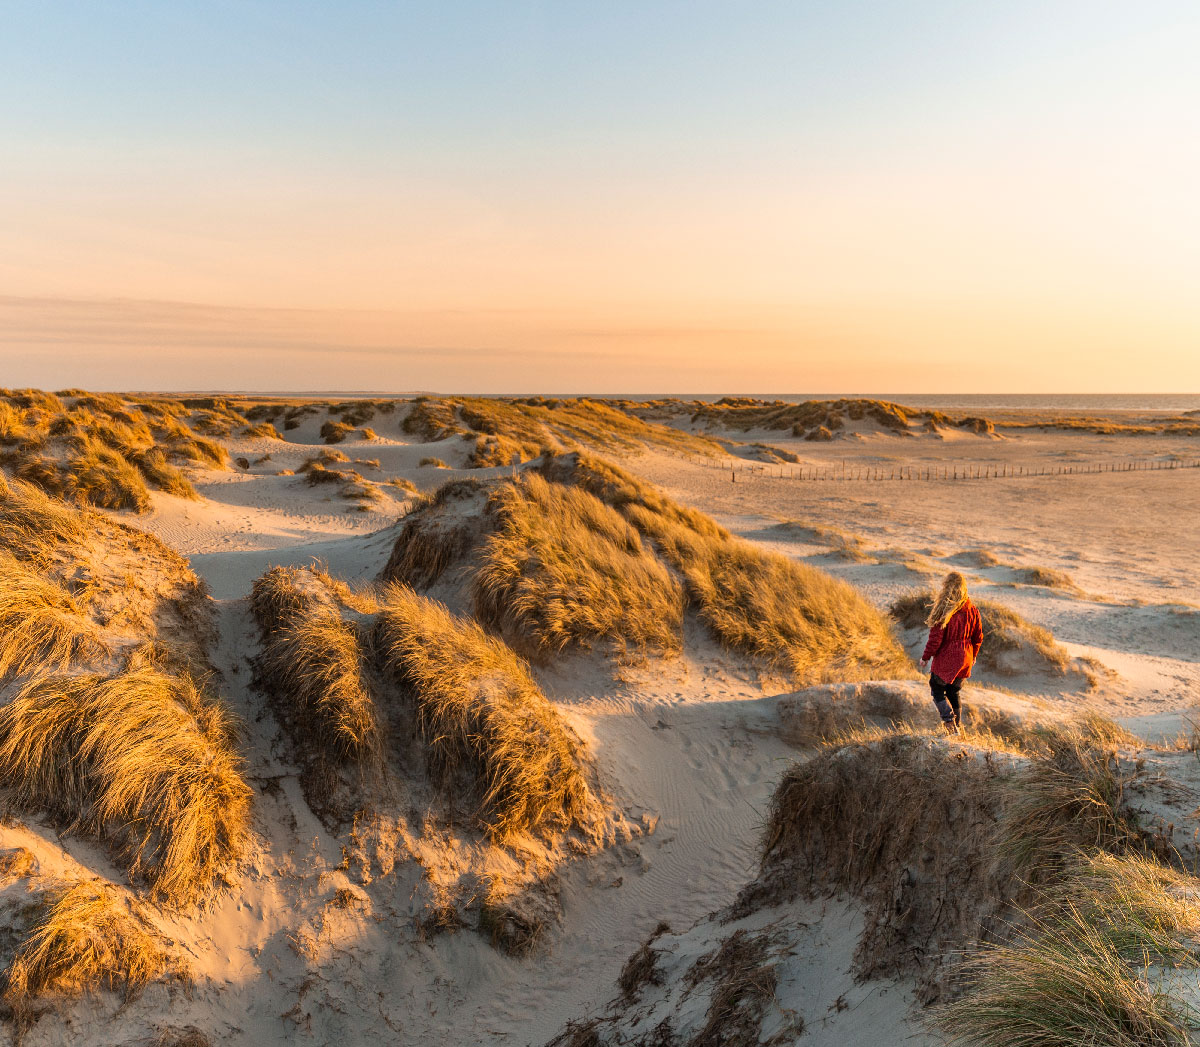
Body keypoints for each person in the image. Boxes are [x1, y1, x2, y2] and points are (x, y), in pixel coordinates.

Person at [919, 572, 983, 735]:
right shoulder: (972, 610)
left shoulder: (943, 610)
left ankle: (949, 722)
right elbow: (978, 637)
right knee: (954, 691)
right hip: (966, 657)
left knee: (936, 687)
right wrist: (973, 655)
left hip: (949, 656)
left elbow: (935, 639)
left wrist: (925, 657)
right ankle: (958, 727)